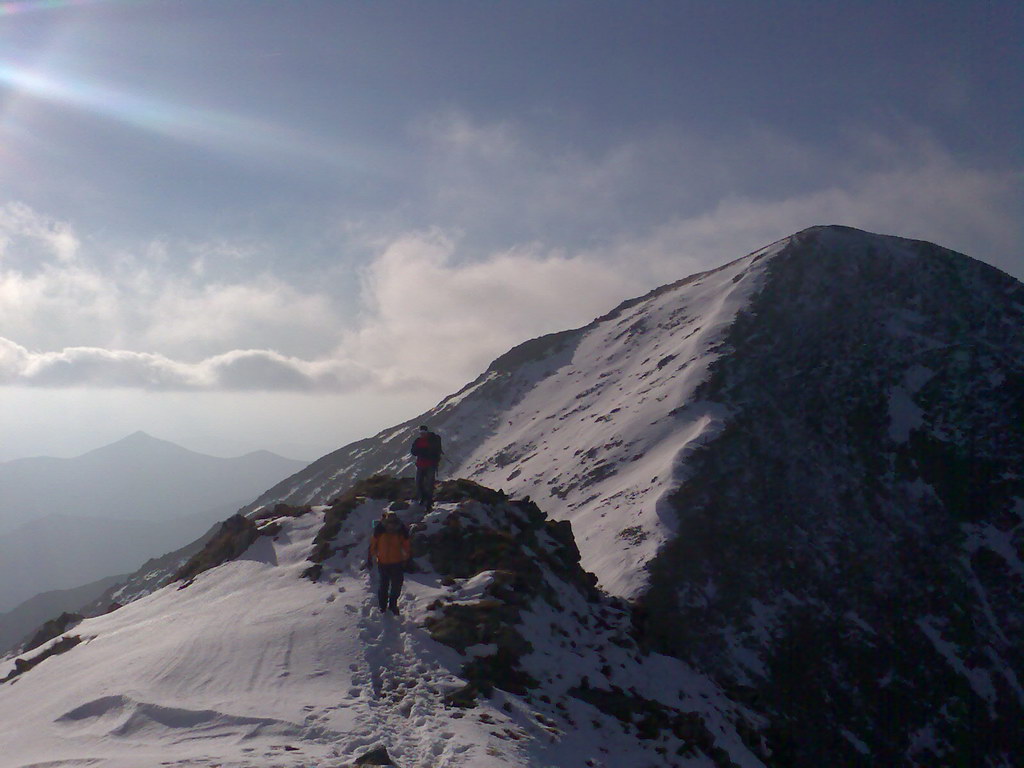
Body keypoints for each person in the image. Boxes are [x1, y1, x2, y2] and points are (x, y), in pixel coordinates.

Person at [368, 512, 411, 615]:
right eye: (389, 523)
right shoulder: (380, 531)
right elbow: (373, 545)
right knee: (384, 585)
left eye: (392, 523)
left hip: (396, 563)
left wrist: (405, 558)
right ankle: (383, 606)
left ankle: (392, 605)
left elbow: (406, 546)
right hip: (384, 563)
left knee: (395, 586)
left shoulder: (400, 532)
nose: (390, 525)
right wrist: (373, 555)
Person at [410, 425, 443, 510]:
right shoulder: (419, 441)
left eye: (423, 433)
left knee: (429, 484)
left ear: (427, 432)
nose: (422, 434)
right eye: (421, 433)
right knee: (419, 483)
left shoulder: (432, 440)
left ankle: (428, 501)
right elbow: (413, 451)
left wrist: (422, 451)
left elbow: (432, 451)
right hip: (421, 465)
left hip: (430, 464)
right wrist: (423, 451)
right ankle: (424, 498)